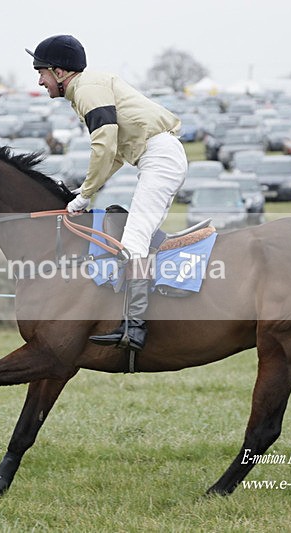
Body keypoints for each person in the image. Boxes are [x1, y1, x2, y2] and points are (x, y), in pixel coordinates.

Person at [26, 34, 188, 353]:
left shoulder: (86, 89)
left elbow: (104, 145)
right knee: (136, 235)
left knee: (134, 241)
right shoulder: (85, 89)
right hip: (158, 156)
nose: (40, 80)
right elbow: (112, 155)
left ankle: (135, 327)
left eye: (42, 71)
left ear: (60, 72)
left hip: (160, 157)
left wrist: (85, 195)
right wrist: (86, 190)